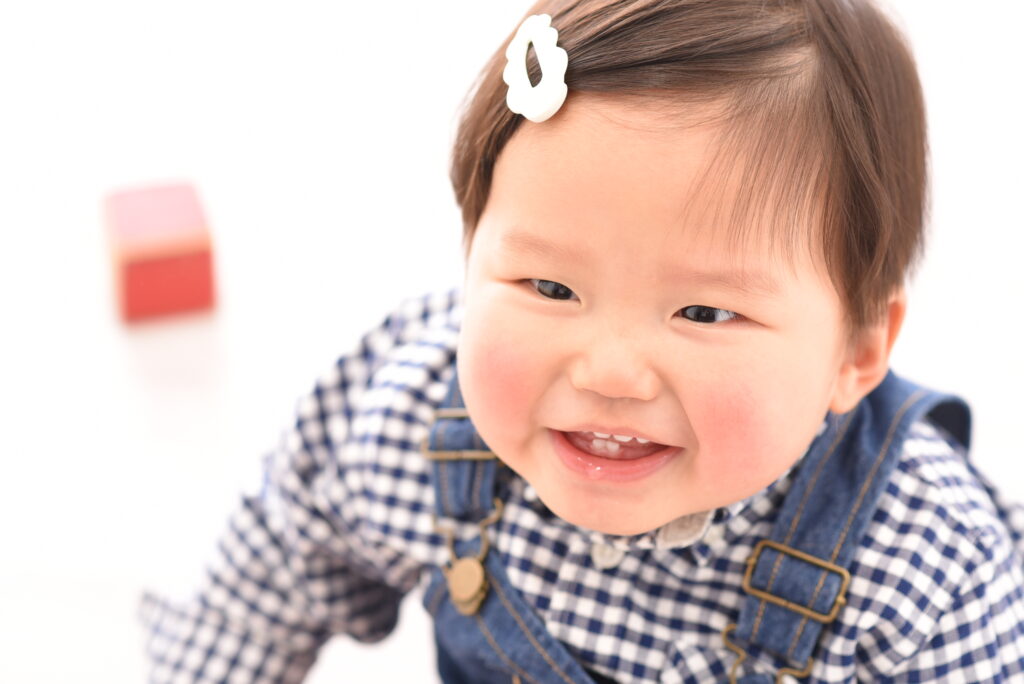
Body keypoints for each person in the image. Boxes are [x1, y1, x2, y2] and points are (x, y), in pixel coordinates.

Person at [140, 0, 1024, 681]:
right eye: (549, 287)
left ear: (857, 352)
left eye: (705, 314)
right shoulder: (412, 404)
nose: (608, 371)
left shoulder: (920, 566)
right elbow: (255, 588)